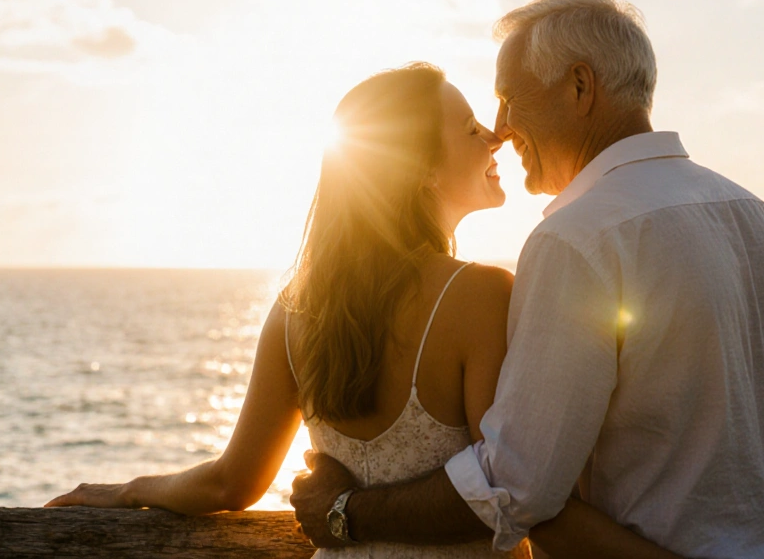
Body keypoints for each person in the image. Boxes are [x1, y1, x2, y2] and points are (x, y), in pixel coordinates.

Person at [45, 63, 681, 558]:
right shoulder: (482, 295)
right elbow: (512, 489)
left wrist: (128, 489)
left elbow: (228, 484)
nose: (497, 134)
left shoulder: (298, 309)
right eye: (469, 131)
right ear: (422, 171)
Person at [292, 0, 764, 558]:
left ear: (579, 86)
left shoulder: (579, 240)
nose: (500, 128)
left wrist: (346, 511)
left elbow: (516, 486)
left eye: (507, 99)